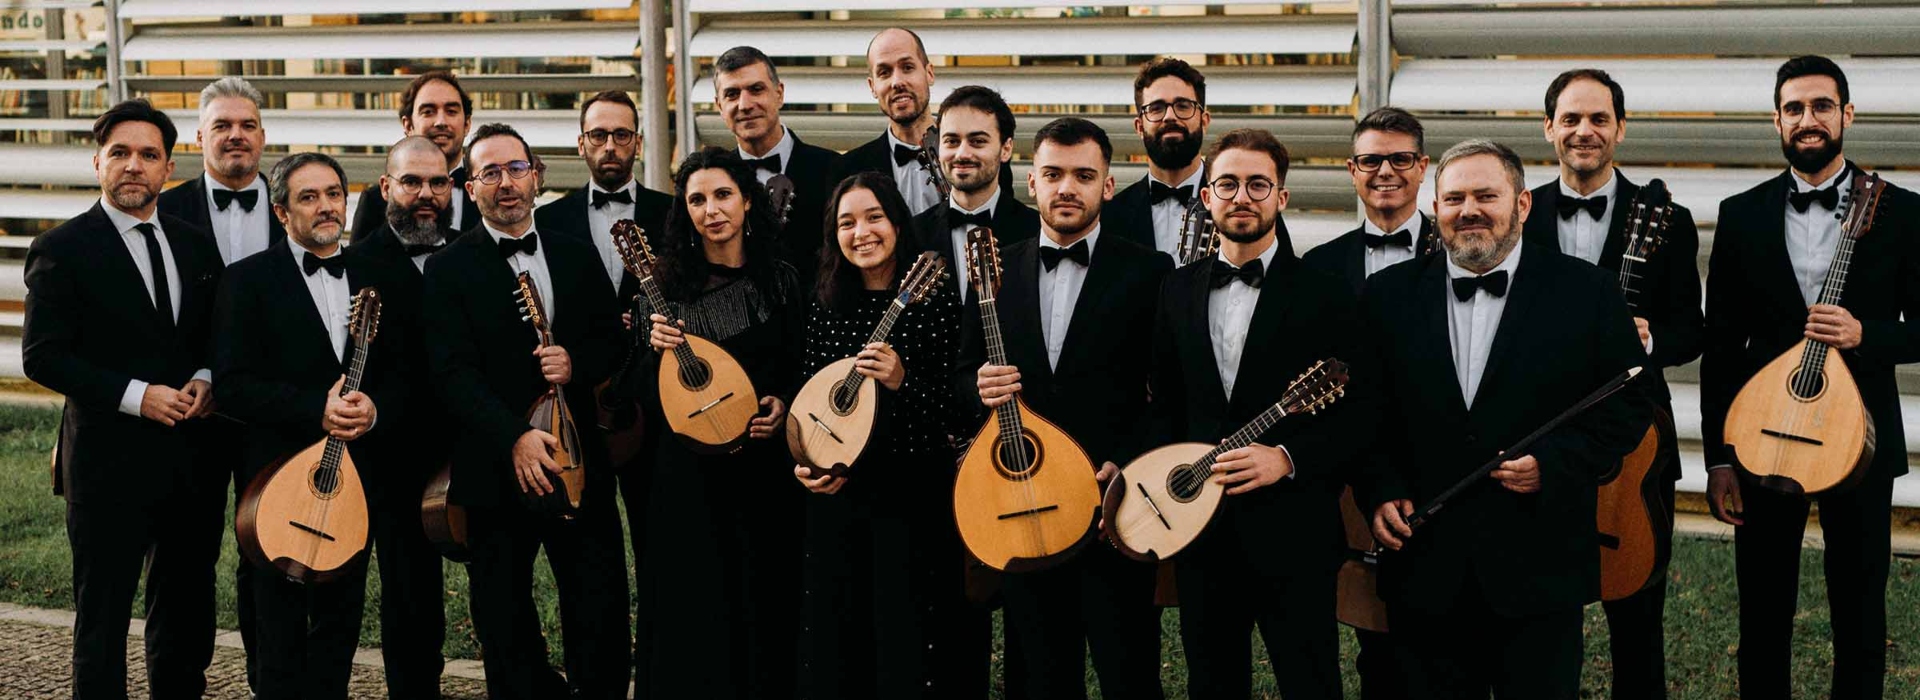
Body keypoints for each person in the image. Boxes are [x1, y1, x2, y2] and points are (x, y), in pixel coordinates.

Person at [1364, 139, 1648, 697]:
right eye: (1454, 198)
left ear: (1521, 205)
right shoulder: (1386, 296)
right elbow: (1367, 415)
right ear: (1436, 208)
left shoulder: (1586, 291)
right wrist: (1381, 488)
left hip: (1539, 568)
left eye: (1486, 196)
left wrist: (1555, 463)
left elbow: (1630, 403)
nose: (1469, 209)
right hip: (1425, 566)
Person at [1700, 55, 1920, 700]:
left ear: (1847, 115)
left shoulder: (1904, 213)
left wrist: (1866, 334)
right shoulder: (1740, 214)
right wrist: (1718, 459)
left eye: (1822, 105)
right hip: (1766, 434)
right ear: (1776, 120)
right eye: (1794, 108)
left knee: (1859, 609)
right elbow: (1720, 347)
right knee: (1763, 608)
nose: (1808, 119)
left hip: (1862, 438)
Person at [961, 118, 1170, 700]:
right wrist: (978, 385)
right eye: (1053, 174)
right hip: (1026, 510)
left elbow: (1172, 392)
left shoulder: (1150, 273)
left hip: (1112, 510)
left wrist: (1127, 462)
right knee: (1038, 676)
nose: (1066, 188)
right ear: (1030, 181)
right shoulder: (994, 271)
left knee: (1129, 674)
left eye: (1084, 175)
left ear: (1108, 185)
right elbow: (960, 378)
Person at [1156, 128, 1369, 700]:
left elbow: (1361, 416)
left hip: (1294, 530)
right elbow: (1168, 404)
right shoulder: (1173, 291)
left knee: (1310, 681)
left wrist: (1288, 458)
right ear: (1207, 196)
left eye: (1258, 184)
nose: (1242, 196)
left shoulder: (1327, 293)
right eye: (1227, 183)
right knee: (1212, 681)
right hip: (1200, 529)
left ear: (1282, 197)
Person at [24, 98, 225, 700]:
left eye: (148, 155)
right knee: (103, 619)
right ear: (97, 162)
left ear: (168, 168)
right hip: (107, 465)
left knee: (185, 615)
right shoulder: (63, 247)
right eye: (120, 153)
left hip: (191, 462)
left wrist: (209, 377)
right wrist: (138, 396)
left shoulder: (195, 244)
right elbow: (43, 356)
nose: (133, 165)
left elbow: (216, 332)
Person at [422, 123, 631, 698]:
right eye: (489, 172)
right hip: (496, 466)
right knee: (504, 616)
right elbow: (449, 373)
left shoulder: (574, 251)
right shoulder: (446, 270)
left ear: (536, 175)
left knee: (599, 605)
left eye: (515, 168)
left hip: (577, 460)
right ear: (469, 188)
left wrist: (577, 364)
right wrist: (513, 436)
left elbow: (612, 342)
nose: (505, 183)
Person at [1517, 68, 1704, 700]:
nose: (1584, 131)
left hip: (1637, 446)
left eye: (1599, 118)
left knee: (1638, 620)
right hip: (1539, 443)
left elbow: (1693, 330)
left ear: (1620, 128)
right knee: (1541, 625)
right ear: (1548, 128)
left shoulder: (1667, 220)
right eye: (1570, 119)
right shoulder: (1517, 212)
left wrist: (1651, 340)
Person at [212, 151, 414, 700]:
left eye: (332, 193)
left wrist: (375, 409)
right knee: (275, 618)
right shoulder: (247, 281)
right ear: (281, 212)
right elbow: (230, 385)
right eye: (308, 197)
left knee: (339, 618)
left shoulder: (379, 273)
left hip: (356, 473)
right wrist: (311, 408)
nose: (325, 207)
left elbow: (407, 373)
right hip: (277, 476)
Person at [630, 147, 808, 699]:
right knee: (693, 607)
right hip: (687, 479)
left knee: (763, 600)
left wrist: (782, 404)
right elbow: (633, 396)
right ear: (684, 211)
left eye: (723, 194)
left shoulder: (782, 281)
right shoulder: (661, 292)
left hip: (763, 474)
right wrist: (651, 350)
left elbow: (804, 365)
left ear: (748, 201)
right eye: (697, 200)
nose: (712, 210)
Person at [791, 171, 977, 698]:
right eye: (847, 223)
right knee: (842, 638)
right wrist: (808, 465)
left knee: (910, 637)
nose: (862, 232)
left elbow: (956, 412)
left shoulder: (935, 302)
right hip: (842, 498)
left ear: (897, 222)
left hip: (913, 496)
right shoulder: (827, 303)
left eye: (874, 217)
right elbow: (811, 404)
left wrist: (902, 380)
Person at [1300, 106, 1440, 700]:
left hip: (1442, 464)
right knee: (1371, 638)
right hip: (1351, 473)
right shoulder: (1320, 268)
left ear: (1423, 167)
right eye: (1371, 160)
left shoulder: (1461, 248)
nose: (1386, 171)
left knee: (1442, 641)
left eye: (1401, 158)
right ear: (1352, 171)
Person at [154, 75, 283, 691]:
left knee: (269, 555)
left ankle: (270, 681)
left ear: (263, 137)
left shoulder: (296, 206)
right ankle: (179, 686)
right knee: (184, 561)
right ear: (200, 137)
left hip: (273, 415)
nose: (236, 135)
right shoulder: (164, 209)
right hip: (190, 417)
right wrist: (197, 376)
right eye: (222, 126)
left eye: (248, 125)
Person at [341, 134, 455, 697]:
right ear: (386, 187)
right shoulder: (353, 266)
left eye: (437, 182)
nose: (425, 194)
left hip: (473, 445)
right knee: (410, 593)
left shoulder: (474, 250)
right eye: (411, 182)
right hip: (393, 456)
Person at [714, 46, 841, 280]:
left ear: (779, 93)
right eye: (732, 94)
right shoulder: (711, 180)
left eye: (756, 89)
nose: (745, 104)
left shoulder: (835, 169)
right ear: (719, 106)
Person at [535, 89, 675, 298]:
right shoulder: (548, 219)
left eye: (621, 135)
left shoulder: (674, 212)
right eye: (598, 135)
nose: (610, 147)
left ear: (637, 144)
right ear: (582, 145)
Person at [908, 85, 1040, 298]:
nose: (962, 154)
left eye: (977, 141)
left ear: (1006, 149)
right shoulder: (912, 233)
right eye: (951, 141)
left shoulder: (1036, 231)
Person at [353, 70, 481, 240]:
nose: (441, 122)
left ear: (467, 124)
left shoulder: (487, 194)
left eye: (451, 111)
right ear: (408, 126)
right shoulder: (375, 201)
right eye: (428, 112)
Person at [835, 28, 943, 215]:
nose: (897, 82)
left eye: (907, 68)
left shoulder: (973, 155)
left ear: (929, 73)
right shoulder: (848, 169)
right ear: (873, 86)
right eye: (884, 72)